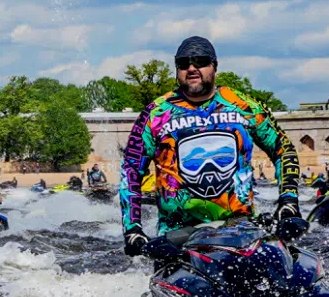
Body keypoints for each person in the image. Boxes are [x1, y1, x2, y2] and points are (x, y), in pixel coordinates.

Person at [120, 35, 301, 257]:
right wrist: (132, 230)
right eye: (184, 64)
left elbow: (284, 150)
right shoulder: (155, 114)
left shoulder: (245, 107)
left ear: (214, 66)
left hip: (240, 230)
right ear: (177, 70)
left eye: (200, 61)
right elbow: (130, 170)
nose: (192, 68)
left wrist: (289, 201)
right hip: (177, 238)